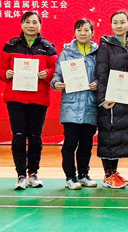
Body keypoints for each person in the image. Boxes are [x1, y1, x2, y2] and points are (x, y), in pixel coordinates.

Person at [0, 11, 58, 190]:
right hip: (16, 99)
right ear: (21, 24)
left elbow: (56, 70)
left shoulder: (48, 47)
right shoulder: (11, 45)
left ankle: (33, 173)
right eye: (27, 22)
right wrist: (6, 74)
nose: (31, 25)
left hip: (39, 99)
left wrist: (47, 74)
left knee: (35, 137)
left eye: (35, 22)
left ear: (40, 25)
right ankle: (21, 175)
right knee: (18, 136)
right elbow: (0, 69)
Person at [51, 18, 99, 190]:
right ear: (74, 33)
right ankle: (70, 177)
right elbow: (56, 75)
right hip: (70, 106)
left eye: (86, 30)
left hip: (90, 106)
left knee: (86, 143)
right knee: (70, 143)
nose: (83, 33)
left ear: (92, 33)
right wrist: (56, 83)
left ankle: (84, 175)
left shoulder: (98, 53)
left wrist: (97, 83)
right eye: (79, 30)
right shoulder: (66, 53)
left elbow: (102, 75)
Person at [95, 10, 128, 189]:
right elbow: (101, 74)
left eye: (122, 22)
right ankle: (108, 175)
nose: (119, 26)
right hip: (110, 100)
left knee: (118, 136)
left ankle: (114, 172)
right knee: (108, 135)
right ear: (111, 25)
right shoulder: (105, 46)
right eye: (115, 22)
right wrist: (103, 100)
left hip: (126, 99)